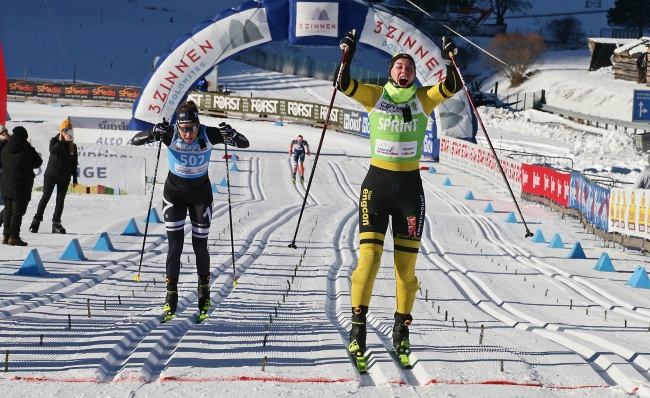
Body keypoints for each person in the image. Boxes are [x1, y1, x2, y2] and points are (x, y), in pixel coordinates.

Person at [336, 31, 461, 358]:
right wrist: (348, 51)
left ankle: (401, 330)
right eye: (398, 66)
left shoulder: (423, 98)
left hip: (409, 190)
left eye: (409, 66)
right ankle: (357, 327)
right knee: (370, 259)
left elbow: (452, 86)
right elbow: (343, 83)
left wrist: (450, 58)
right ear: (391, 72)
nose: (403, 70)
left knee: (405, 270)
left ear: (414, 74)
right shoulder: (375, 95)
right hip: (376, 187)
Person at [131, 100, 249, 320]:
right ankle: (171, 297)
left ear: (198, 124)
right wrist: (152, 132)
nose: (189, 134)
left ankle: (204, 294)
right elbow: (135, 140)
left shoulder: (208, 134)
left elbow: (245, 143)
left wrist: (230, 133)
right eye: (184, 129)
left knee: (200, 246)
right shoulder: (170, 134)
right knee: (174, 246)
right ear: (178, 127)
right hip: (174, 195)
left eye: (193, 128)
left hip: (200, 197)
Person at [29, 120, 79, 234]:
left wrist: (75, 178)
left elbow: (74, 163)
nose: (67, 133)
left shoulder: (73, 146)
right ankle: (36, 221)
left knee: (60, 200)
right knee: (46, 197)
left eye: (69, 130)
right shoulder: (55, 140)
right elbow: (52, 151)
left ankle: (56, 223)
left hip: (64, 176)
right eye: (65, 130)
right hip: (51, 175)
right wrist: (62, 141)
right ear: (61, 131)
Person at [1, 126, 43, 246]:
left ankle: (6, 235)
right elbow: (38, 162)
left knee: (8, 210)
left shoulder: (6, 150)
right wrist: (30, 147)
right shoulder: (25, 150)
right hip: (21, 185)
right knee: (17, 212)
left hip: (5, 184)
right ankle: (14, 237)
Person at [0, 125, 9, 226]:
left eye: (5, 132)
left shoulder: (9, 141)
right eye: (2, 133)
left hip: (6, 170)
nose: (4, 134)